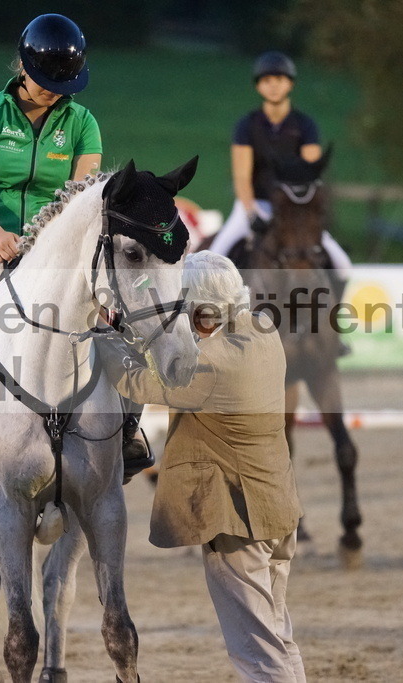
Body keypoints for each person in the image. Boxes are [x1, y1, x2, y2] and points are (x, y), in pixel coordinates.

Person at [0, 14, 149, 491]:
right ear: (22, 65)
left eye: (64, 83)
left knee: (127, 324)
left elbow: (84, 198)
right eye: (45, 81)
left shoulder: (82, 123)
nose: (54, 91)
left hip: (55, 256)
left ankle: (129, 432)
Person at [98, 251, 307, 682]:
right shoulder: (262, 329)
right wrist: (126, 327)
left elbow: (136, 382)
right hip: (278, 510)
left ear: (199, 311)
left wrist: (103, 337)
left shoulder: (211, 365)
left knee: (257, 652)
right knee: (279, 637)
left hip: (239, 520)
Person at [209, 51, 351, 285]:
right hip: (257, 204)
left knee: (343, 266)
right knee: (215, 259)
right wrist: (251, 213)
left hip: (295, 208)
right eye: (267, 81)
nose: (273, 86)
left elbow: (309, 172)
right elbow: (242, 176)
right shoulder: (247, 126)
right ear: (258, 87)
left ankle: (332, 318)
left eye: (279, 80)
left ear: (290, 84)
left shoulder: (305, 125)